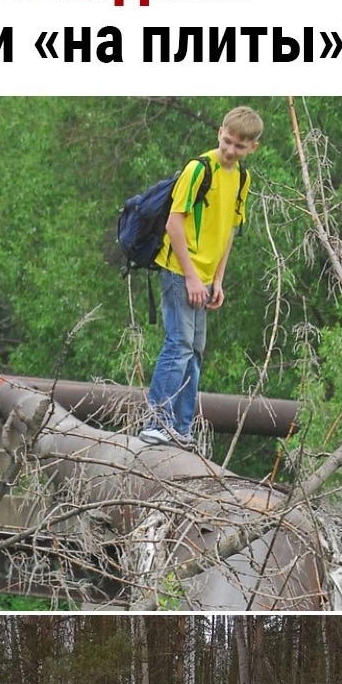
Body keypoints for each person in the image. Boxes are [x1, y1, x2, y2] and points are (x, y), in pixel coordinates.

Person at [140, 106, 262, 449]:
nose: (230, 150)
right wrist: (193, 278)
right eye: (227, 141)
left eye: (239, 146)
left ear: (251, 148)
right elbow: (173, 224)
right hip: (180, 270)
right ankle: (157, 422)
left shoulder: (241, 178)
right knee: (178, 345)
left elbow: (228, 232)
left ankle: (181, 427)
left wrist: (217, 279)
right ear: (219, 133)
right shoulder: (199, 169)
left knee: (194, 351)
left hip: (206, 277)